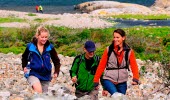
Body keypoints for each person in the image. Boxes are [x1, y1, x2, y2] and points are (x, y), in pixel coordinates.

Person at [94, 29, 139, 96]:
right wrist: (96, 80)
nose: (115, 39)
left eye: (117, 37)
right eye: (114, 37)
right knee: (116, 95)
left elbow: (134, 66)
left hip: (122, 81)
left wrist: (135, 78)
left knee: (121, 97)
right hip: (109, 79)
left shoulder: (129, 52)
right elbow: (101, 66)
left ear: (123, 38)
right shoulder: (108, 50)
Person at [22, 26, 61, 93]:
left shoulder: (50, 47)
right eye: (42, 37)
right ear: (37, 36)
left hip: (46, 75)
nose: (44, 39)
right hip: (33, 73)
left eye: (46, 37)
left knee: (43, 95)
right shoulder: (30, 46)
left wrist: (56, 72)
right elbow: (24, 57)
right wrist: (24, 67)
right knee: (38, 91)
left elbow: (56, 61)